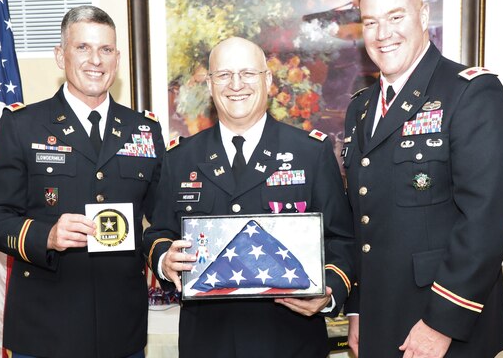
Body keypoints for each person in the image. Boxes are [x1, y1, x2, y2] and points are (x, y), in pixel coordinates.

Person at [341, 0, 503, 358]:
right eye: (370, 22)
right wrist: (356, 310)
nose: (383, 34)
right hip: (379, 321)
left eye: (396, 17)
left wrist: (443, 322)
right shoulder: (361, 108)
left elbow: (486, 221)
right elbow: (361, 219)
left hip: (446, 328)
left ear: (423, 16)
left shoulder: (472, 93)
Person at [143, 36, 357, 358]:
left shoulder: (310, 153)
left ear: (267, 80)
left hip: (291, 342)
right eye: (224, 75)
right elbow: (159, 232)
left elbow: (342, 239)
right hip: (208, 343)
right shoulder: (180, 158)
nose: (236, 84)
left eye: (248, 73)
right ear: (211, 85)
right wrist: (164, 259)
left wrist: (327, 293)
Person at [0, 5, 165, 358]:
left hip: (121, 331)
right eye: (83, 48)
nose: (96, 60)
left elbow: (163, 219)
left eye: (105, 50)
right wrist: (44, 235)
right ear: (60, 56)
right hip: (46, 329)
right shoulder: (22, 126)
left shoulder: (144, 130)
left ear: (117, 58)